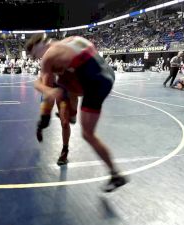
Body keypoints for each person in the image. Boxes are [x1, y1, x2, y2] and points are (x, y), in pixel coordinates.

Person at [26, 34, 127, 192]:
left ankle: (116, 174)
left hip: (93, 84)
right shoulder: (73, 39)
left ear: (39, 49)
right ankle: (115, 174)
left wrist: (44, 116)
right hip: (107, 76)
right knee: (64, 80)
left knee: (56, 84)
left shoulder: (47, 57)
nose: (35, 59)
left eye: (34, 56)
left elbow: (46, 90)